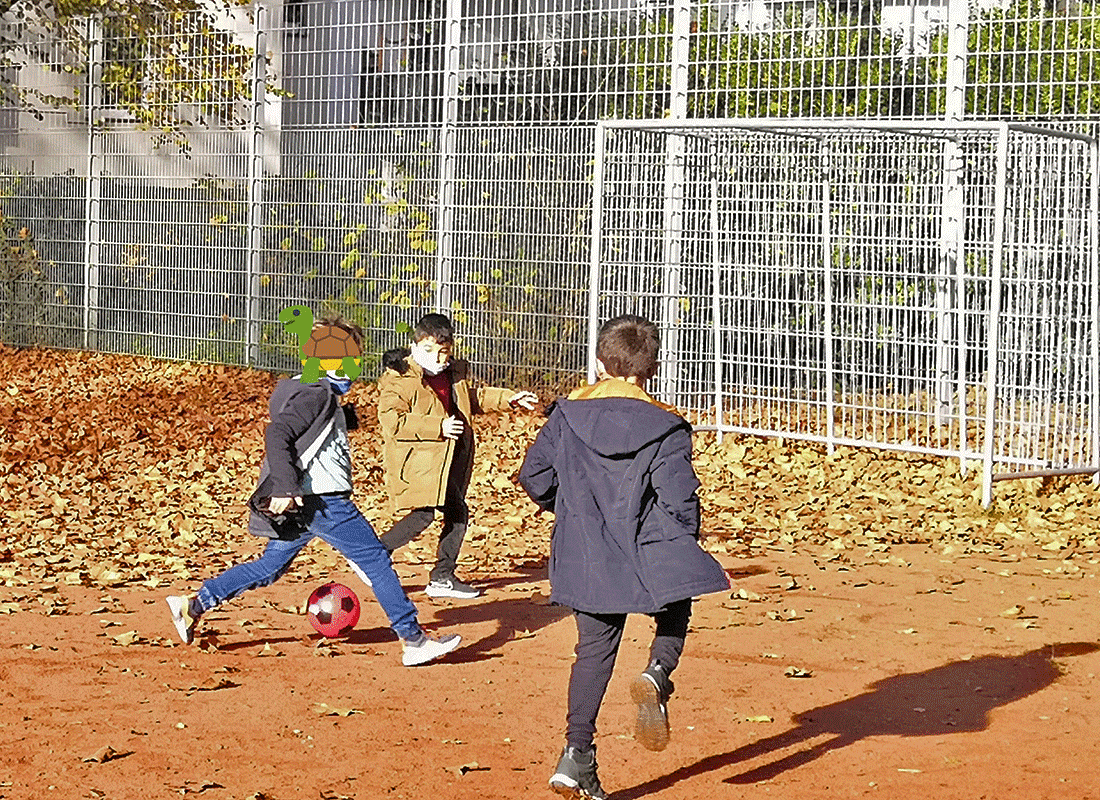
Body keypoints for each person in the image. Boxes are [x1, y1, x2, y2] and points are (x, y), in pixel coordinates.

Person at [165, 314, 461, 667]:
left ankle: (194, 604)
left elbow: (302, 429)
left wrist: (341, 419)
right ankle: (413, 639)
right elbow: (278, 434)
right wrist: (288, 488)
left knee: (270, 566)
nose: (355, 364)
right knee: (376, 560)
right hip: (324, 500)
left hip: (308, 502)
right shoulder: (317, 393)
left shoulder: (311, 389)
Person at [518, 314, 729, 799]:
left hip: (586, 549)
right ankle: (658, 670)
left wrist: (571, 508)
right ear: (651, 370)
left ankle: (575, 755)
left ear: (599, 362)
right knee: (680, 591)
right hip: (648, 545)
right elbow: (679, 500)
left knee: (593, 652)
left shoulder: (567, 414)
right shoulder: (666, 425)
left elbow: (535, 478)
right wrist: (681, 543)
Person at [377, 313, 538, 599]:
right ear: (415, 346)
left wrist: (508, 399)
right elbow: (391, 419)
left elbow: (471, 399)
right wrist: (437, 426)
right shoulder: (401, 377)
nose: (438, 357)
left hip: (448, 459)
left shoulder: (453, 374)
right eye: (429, 350)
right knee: (427, 513)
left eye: (444, 351)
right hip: (418, 460)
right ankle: (377, 555)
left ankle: (438, 576)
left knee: (454, 511)